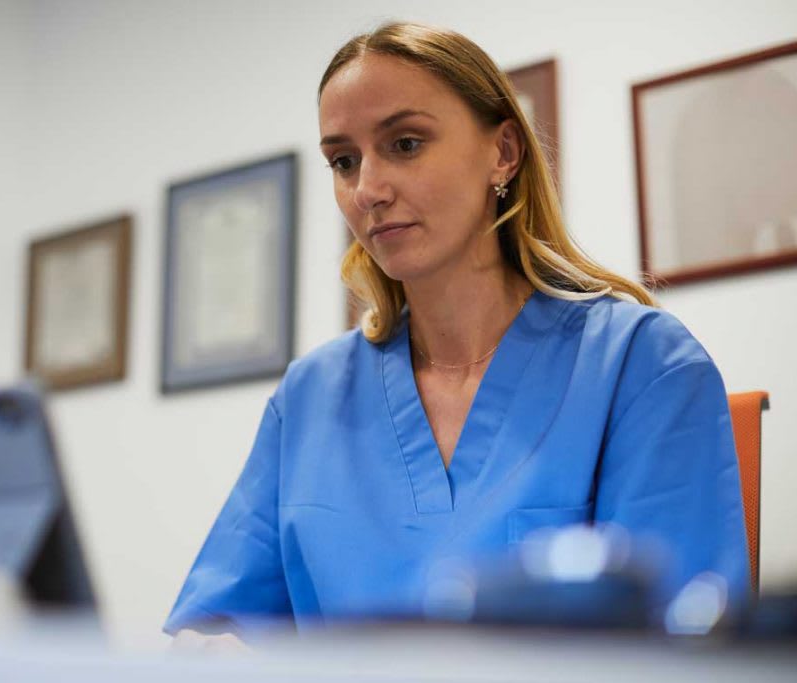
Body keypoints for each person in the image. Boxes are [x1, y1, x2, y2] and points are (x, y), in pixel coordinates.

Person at [164, 22, 749, 644]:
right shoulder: (308, 398)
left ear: (503, 152)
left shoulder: (642, 366)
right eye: (343, 161)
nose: (368, 189)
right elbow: (212, 630)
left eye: (406, 143)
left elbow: (680, 649)